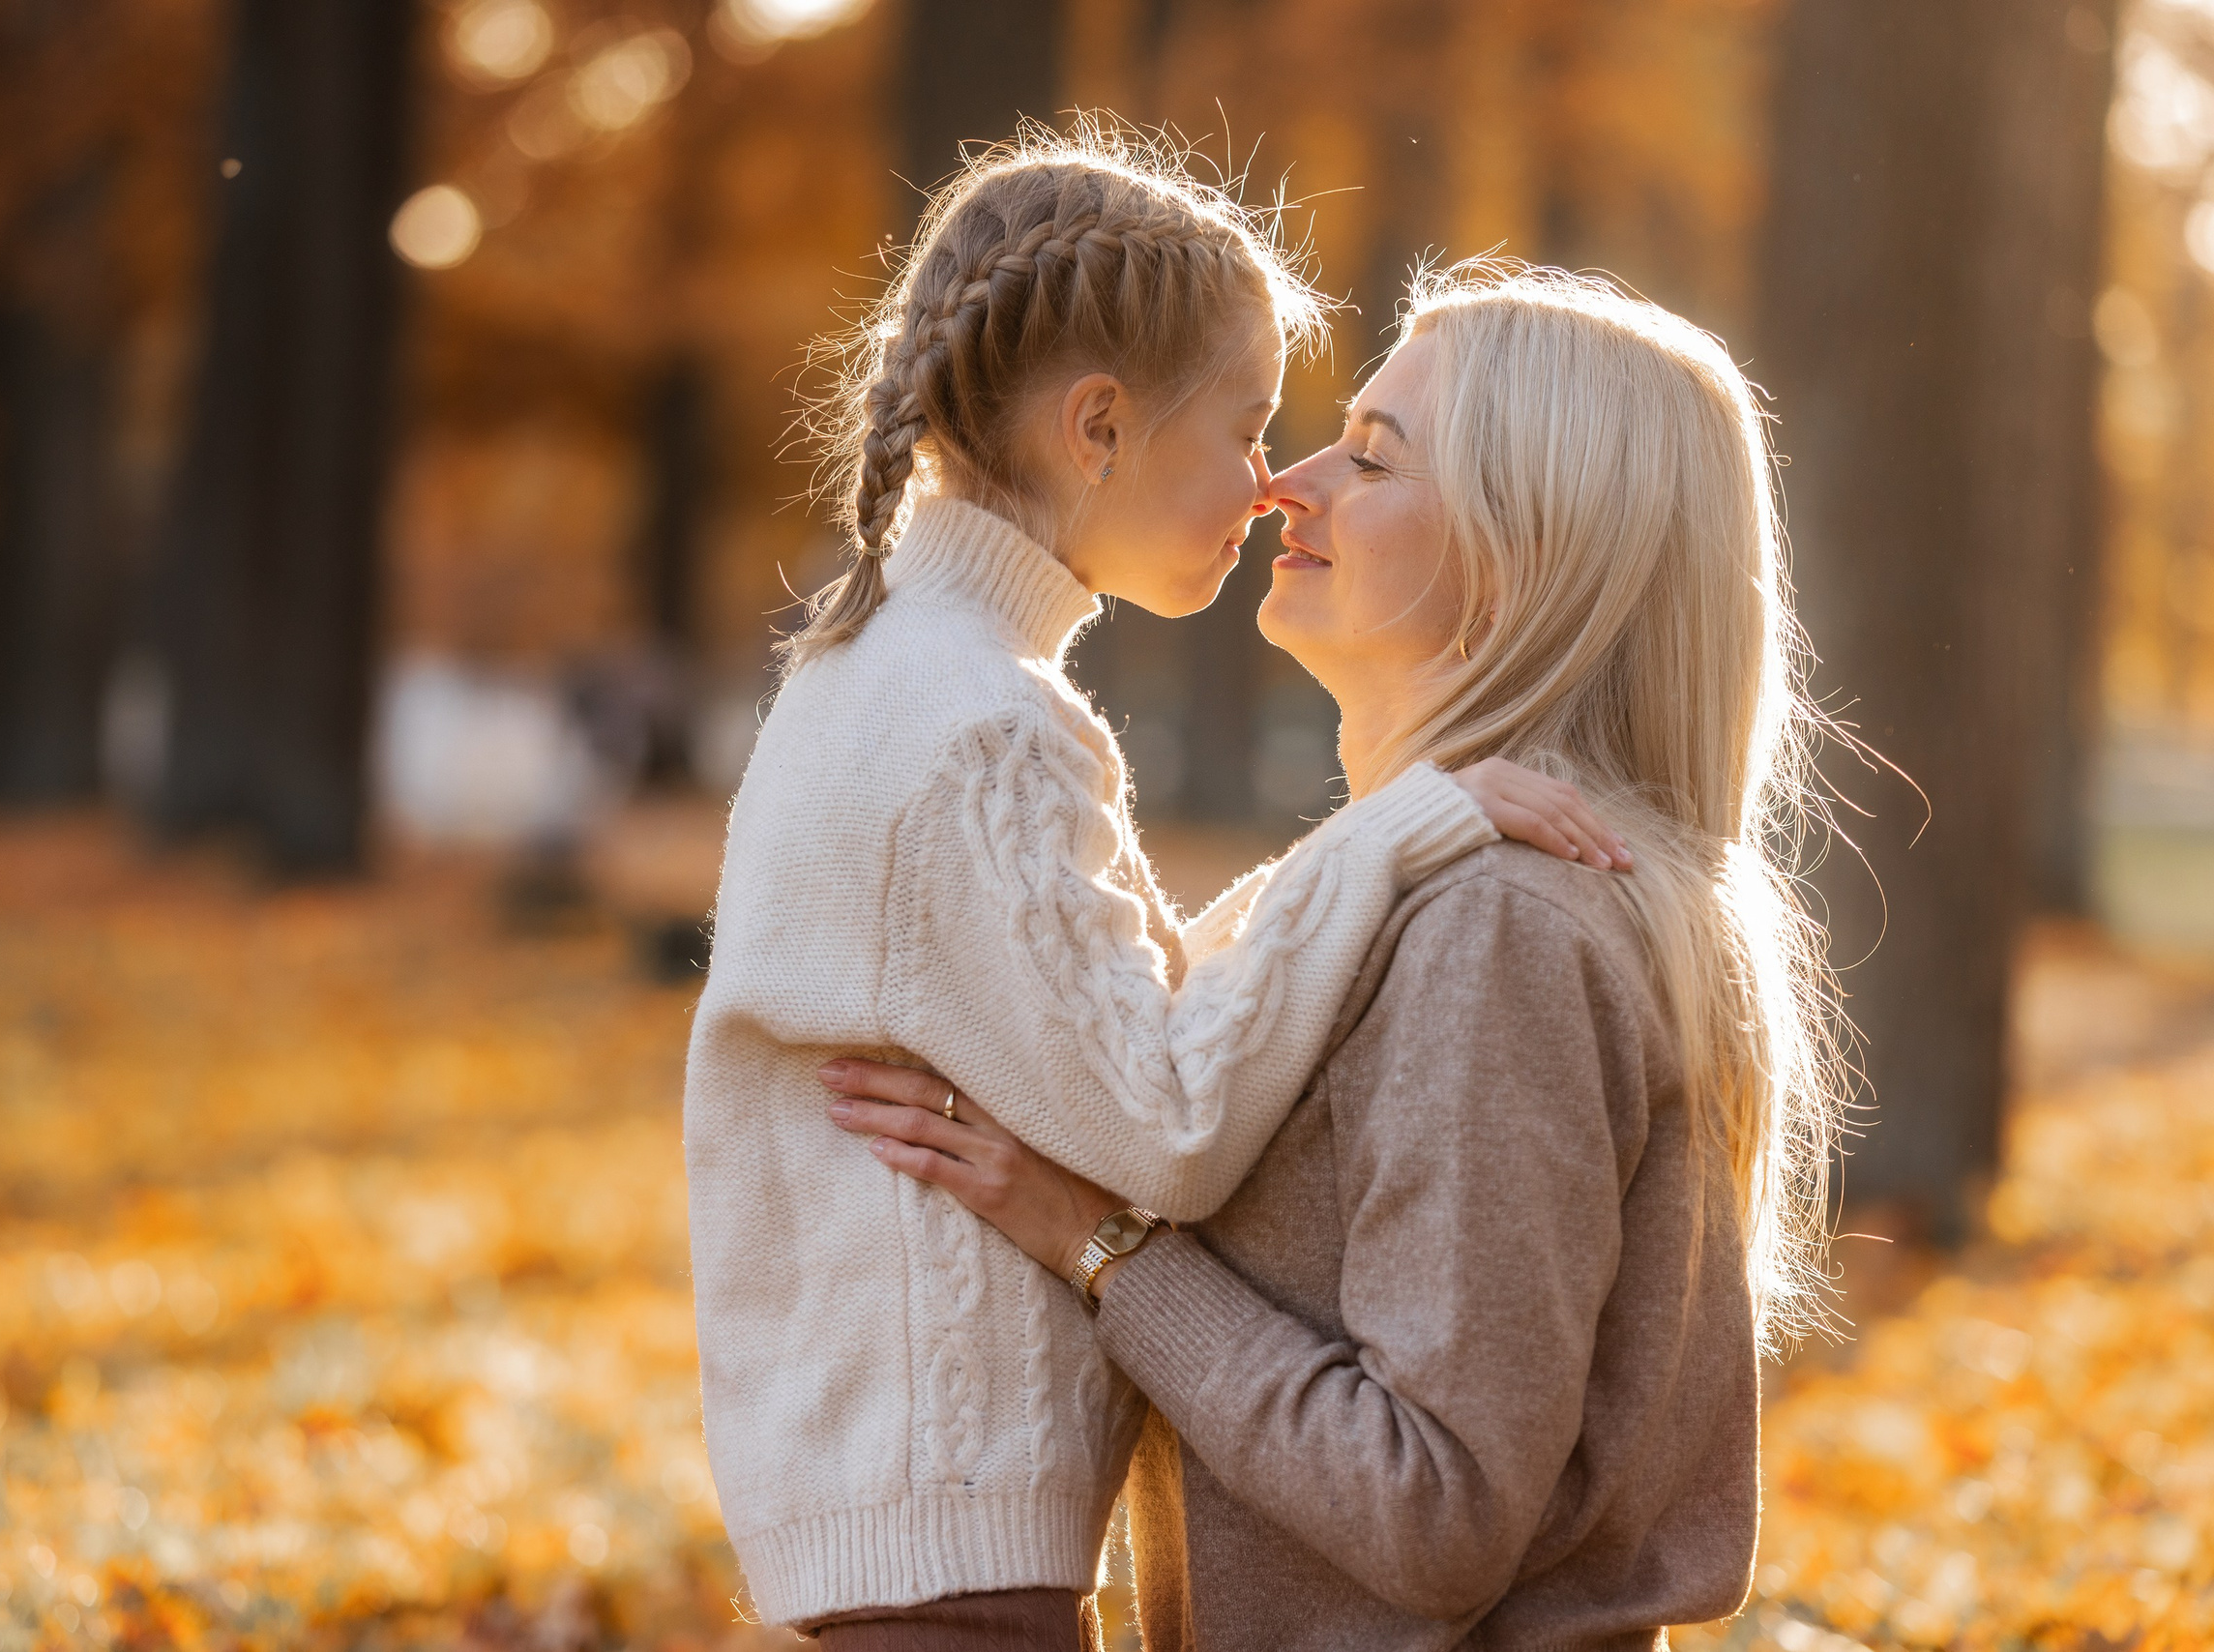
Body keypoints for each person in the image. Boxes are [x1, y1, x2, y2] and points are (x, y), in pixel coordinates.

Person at [685, 133, 1623, 1648]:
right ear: (1100, 427)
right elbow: (1167, 1129)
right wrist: (1386, 839)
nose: (1269, 487)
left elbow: (1094, 1031)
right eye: (1248, 429)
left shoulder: (888, 672)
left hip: (895, 1515)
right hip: (951, 1540)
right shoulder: (984, 725)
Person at [826, 263, 1844, 1649]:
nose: (1283, 483)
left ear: (1522, 547)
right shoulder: (1448, 890)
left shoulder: (1503, 925)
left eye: (1370, 457)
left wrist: (1106, 1246)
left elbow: (1436, 1509)